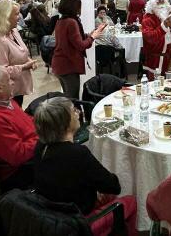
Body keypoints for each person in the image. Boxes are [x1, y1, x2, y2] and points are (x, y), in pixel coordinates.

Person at [33, 97, 137, 235]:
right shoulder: (77, 154)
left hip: (50, 215)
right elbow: (114, 186)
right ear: (64, 122)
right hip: (78, 223)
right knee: (131, 200)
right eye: (73, 111)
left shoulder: (40, 147)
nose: (78, 113)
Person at [52, 0, 105, 99]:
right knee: (73, 100)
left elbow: (72, 39)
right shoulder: (71, 22)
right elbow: (80, 45)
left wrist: (89, 35)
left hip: (60, 64)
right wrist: (92, 37)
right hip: (68, 66)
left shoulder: (61, 21)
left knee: (68, 98)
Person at [0, 0, 38, 107]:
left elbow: (21, 51)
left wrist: (29, 60)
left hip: (17, 87)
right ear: (5, 17)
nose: (19, 17)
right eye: (16, 14)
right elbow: (0, 71)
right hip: (8, 91)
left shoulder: (13, 32)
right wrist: (24, 67)